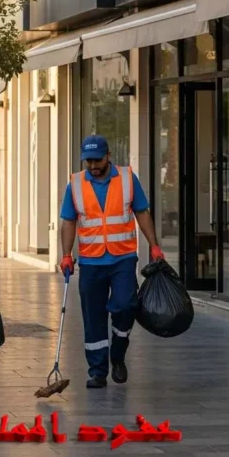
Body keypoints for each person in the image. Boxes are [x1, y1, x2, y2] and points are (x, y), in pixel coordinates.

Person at [60, 135, 164, 389]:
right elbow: (69, 221)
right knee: (93, 316)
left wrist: (154, 245)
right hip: (91, 261)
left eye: (97, 160)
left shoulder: (127, 178)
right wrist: (66, 255)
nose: (93, 165)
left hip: (122, 258)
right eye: (88, 161)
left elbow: (142, 212)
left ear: (108, 156)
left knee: (126, 306)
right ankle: (97, 371)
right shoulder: (75, 184)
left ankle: (118, 352)